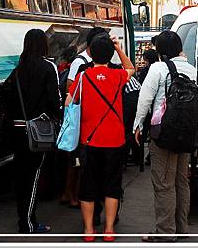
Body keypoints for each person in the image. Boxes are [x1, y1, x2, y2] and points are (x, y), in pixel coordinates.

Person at [66, 34, 135, 242]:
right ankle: (109, 230)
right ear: (110, 54)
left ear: (91, 53)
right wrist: (118, 49)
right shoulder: (117, 76)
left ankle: (88, 231)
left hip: (89, 141)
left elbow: (69, 102)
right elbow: (131, 68)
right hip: (115, 141)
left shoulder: (83, 77)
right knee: (112, 186)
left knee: (88, 186)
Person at [133, 31, 198, 242]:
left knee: (163, 182)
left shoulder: (158, 68)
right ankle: (181, 228)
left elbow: (145, 100)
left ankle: (165, 231)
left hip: (164, 132)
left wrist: (138, 125)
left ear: (160, 50)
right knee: (181, 181)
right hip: (186, 132)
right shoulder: (191, 69)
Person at [0, 29, 61, 233]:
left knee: (20, 175)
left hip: (16, 130)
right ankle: (28, 222)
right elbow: (55, 100)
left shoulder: (18, 69)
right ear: (43, 44)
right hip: (37, 130)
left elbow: (5, 95)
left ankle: (23, 218)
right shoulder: (48, 67)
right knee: (33, 176)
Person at [61, 27, 109, 209]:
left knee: (79, 162)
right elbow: (70, 90)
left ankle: (71, 193)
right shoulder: (80, 62)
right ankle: (71, 194)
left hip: (89, 120)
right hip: (79, 120)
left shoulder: (96, 60)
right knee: (75, 161)